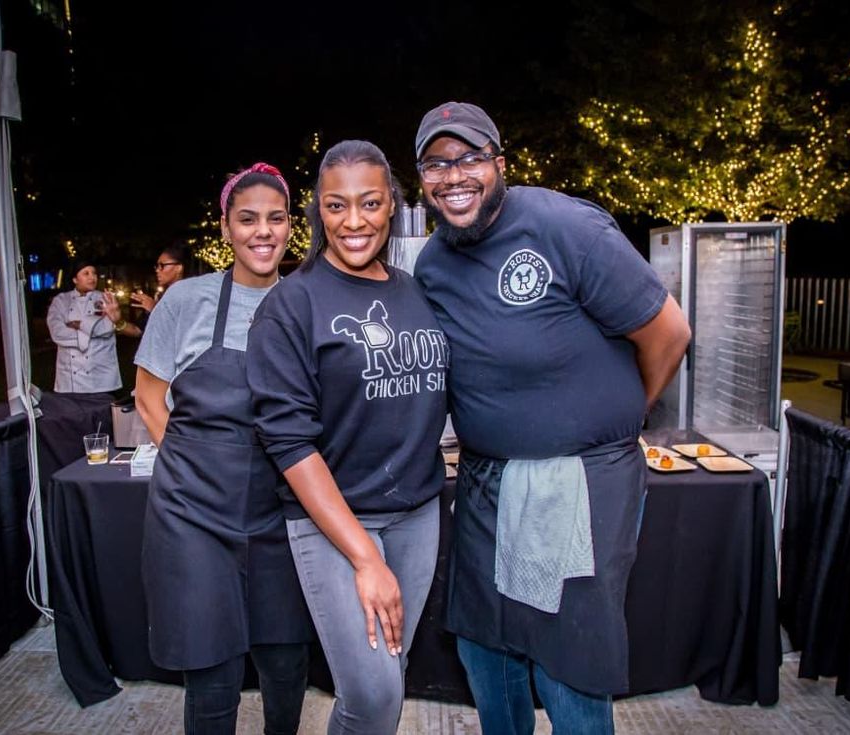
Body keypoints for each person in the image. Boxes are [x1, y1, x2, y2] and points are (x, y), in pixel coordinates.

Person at [411, 102, 692, 734]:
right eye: (436, 163)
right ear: (422, 179)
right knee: (485, 650)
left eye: (470, 158)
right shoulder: (431, 264)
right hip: (487, 482)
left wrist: (619, 419)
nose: (454, 176)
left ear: (500, 163)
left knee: (569, 668)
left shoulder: (566, 227)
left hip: (582, 482)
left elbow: (669, 334)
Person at [246, 140, 449, 735]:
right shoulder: (293, 305)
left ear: (392, 206)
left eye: (369, 203)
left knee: (390, 675)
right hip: (335, 520)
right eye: (336, 206)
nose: (354, 221)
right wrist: (365, 557)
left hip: (417, 514)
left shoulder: (413, 292)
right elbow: (289, 443)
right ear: (318, 211)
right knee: (372, 693)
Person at [133, 163, 314, 735]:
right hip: (194, 514)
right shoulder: (186, 299)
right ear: (226, 227)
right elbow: (147, 397)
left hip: (281, 510)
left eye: (276, 218)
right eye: (247, 219)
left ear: (291, 227)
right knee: (213, 673)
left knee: (286, 663)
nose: (263, 231)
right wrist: (190, 466)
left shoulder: (308, 303)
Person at [46, 257, 125, 393]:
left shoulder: (105, 298)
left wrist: (78, 324)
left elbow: (107, 328)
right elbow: (57, 332)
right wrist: (91, 330)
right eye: (86, 273)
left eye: (94, 273)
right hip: (70, 379)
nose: (92, 277)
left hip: (102, 376)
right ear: (75, 279)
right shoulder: (61, 301)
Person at [129, 243, 189, 334]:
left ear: (179, 268)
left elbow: (184, 331)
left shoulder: (190, 295)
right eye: (157, 266)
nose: (157, 270)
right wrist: (117, 321)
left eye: (162, 266)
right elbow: (138, 330)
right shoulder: (161, 296)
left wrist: (155, 310)